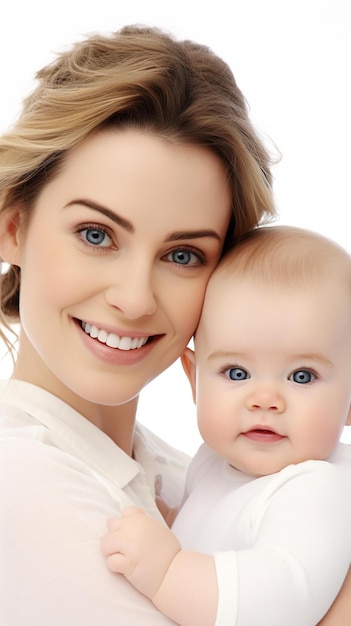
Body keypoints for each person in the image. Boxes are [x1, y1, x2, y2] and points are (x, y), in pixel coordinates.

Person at [0, 23, 277, 625]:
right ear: (13, 227)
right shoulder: (14, 481)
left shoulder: (186, 478)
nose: (133, 299)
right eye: (96, 235)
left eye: (183, 256)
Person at [101, 225, 351, 626]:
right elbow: (215, 525)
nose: (265, 399)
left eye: (302, 376)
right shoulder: (213, 461)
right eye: (236, 373)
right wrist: (171, 519)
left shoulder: (317, 487)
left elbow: (280, 600)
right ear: (193, 377)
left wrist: (167, 570)